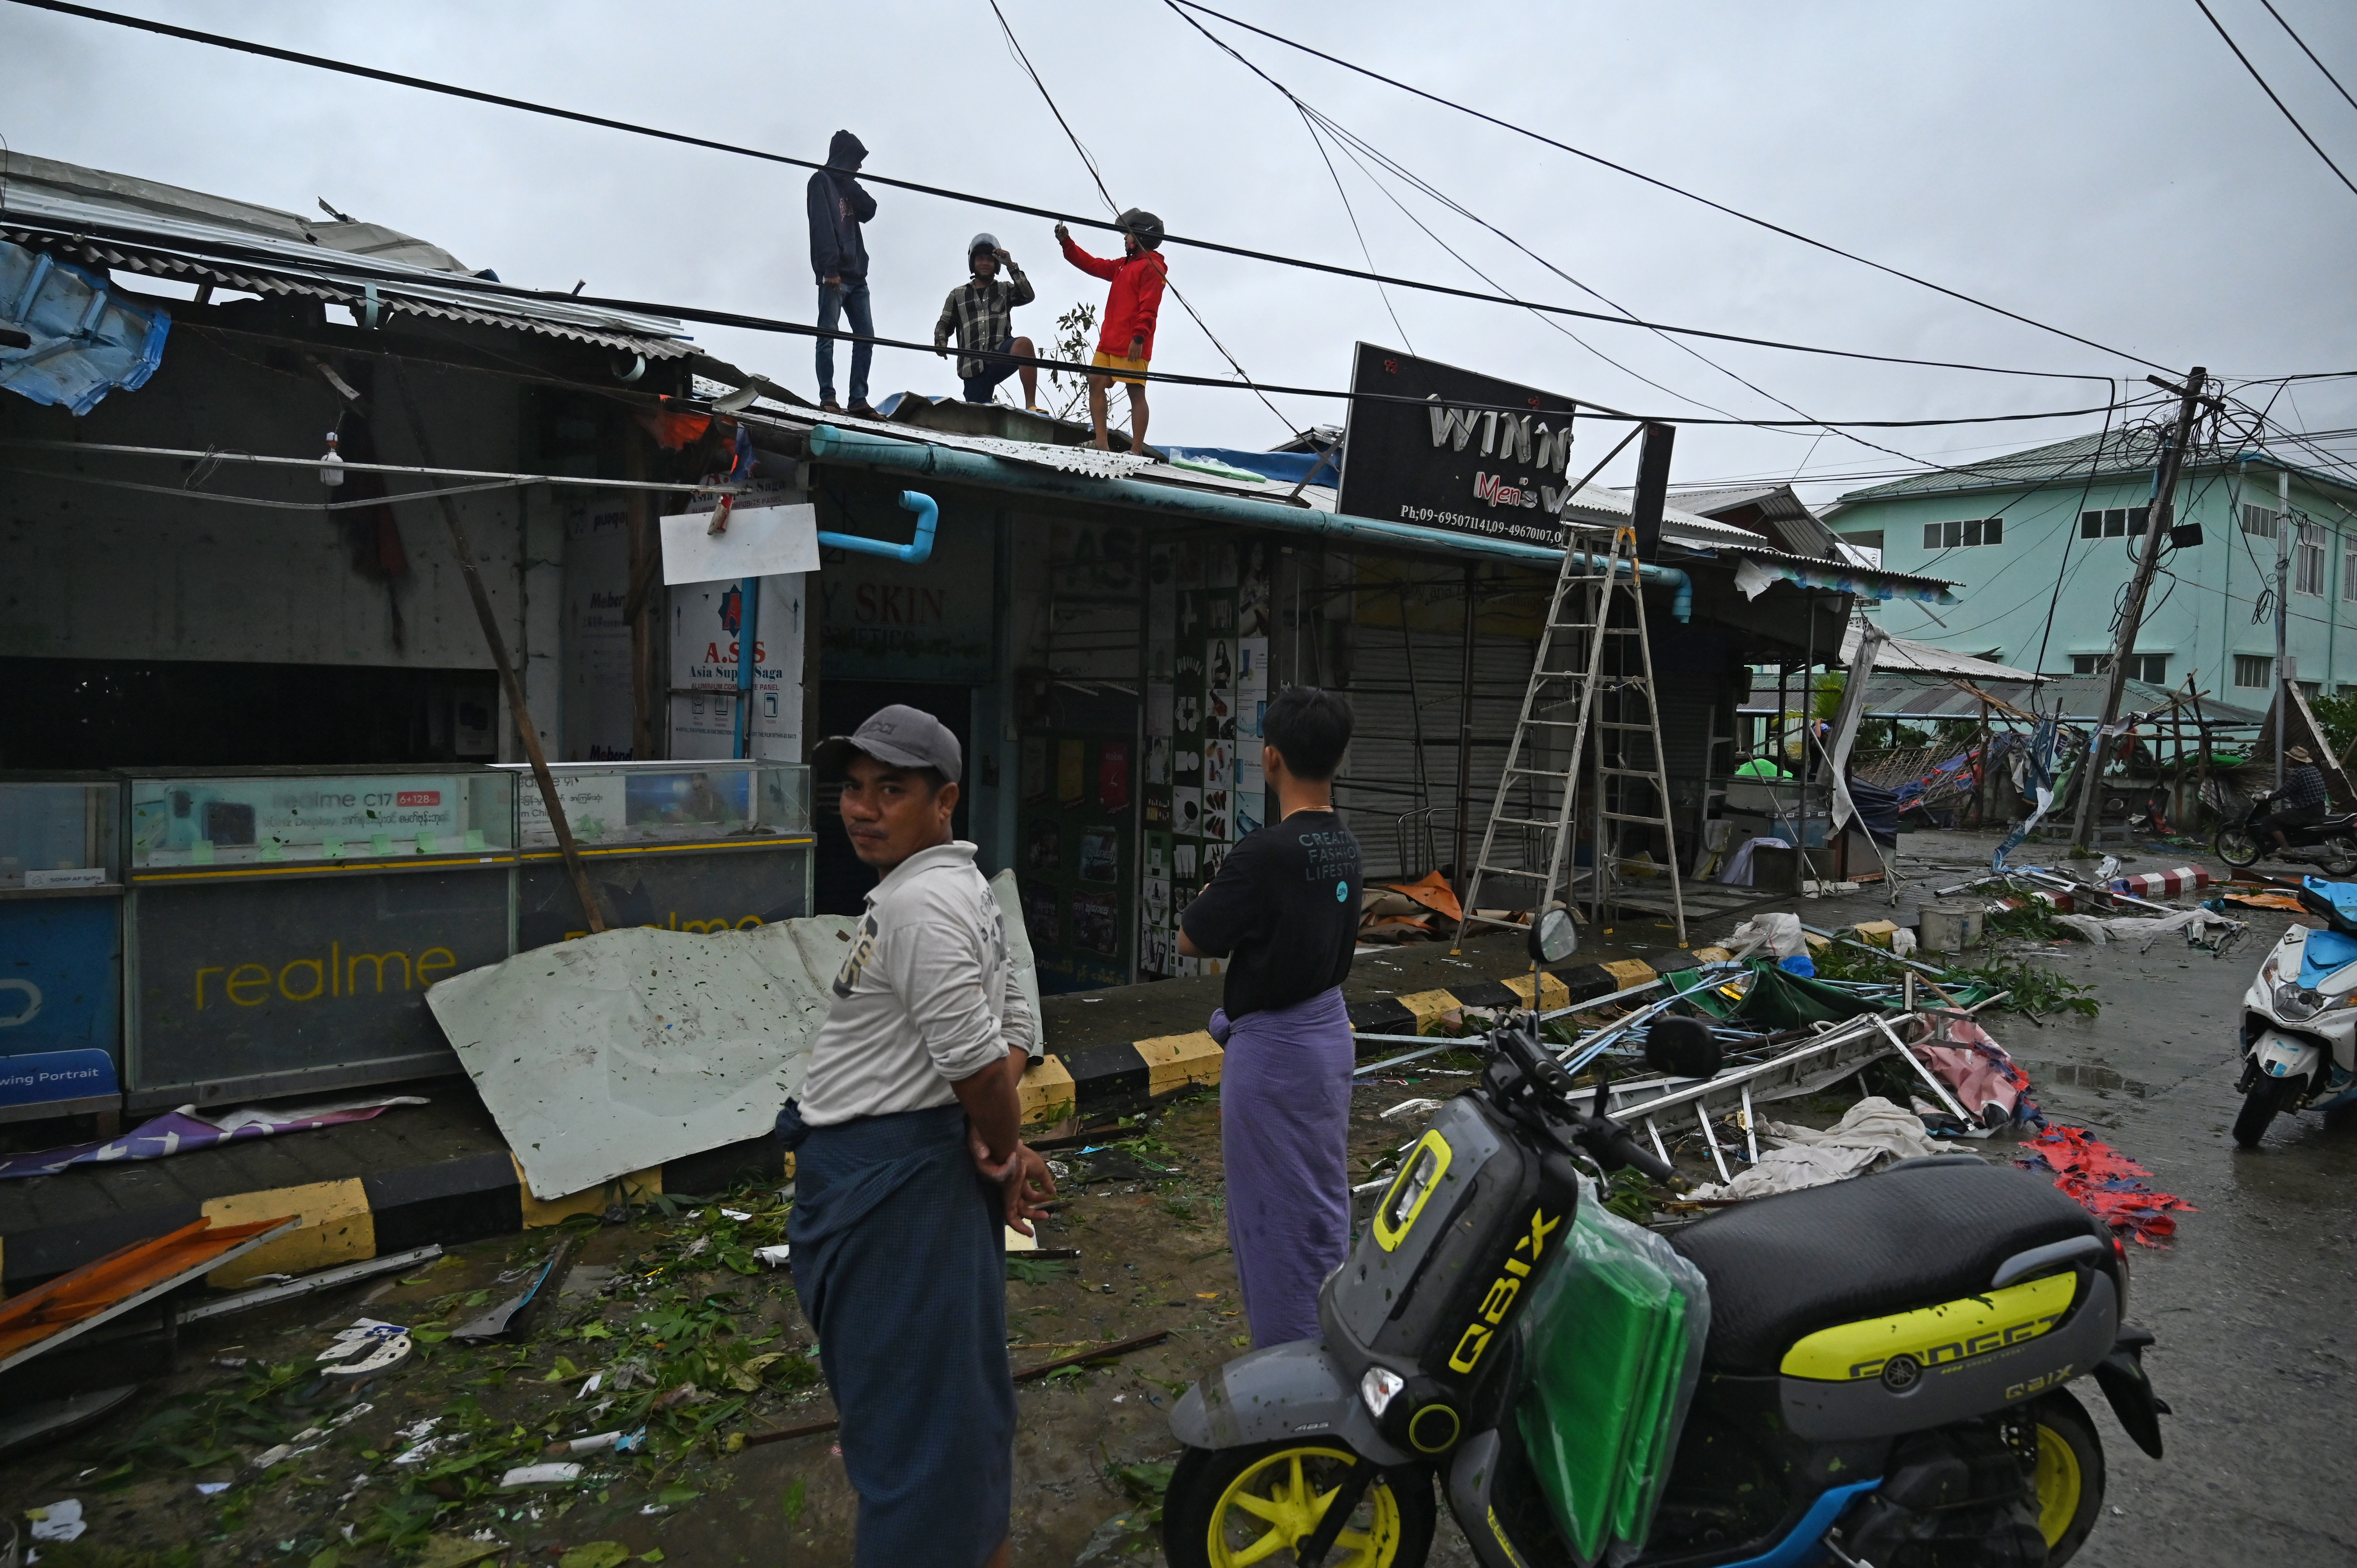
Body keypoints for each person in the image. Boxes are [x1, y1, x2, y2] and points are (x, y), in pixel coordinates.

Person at [777, 704, 1054, 1568]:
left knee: (921, 1434)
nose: (862, 807)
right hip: (899, 1173)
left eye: (891, 789)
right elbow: (1010, 1021)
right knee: (948, 1418)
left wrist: (1001, 1144)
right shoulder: (952, 888)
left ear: (945, 800)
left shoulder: (924, 904)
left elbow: (978, 1063)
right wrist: (993, 1133)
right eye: (854, 787)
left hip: (893, 1187)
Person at [1177, 687, 1362, 1347]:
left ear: (1271, 758)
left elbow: (1192, 936)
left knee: (1273, 1218)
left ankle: (1293, 1366)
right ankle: (1328, 1336)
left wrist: (1213, 895)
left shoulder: (1264, 852)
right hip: (1326, 1043)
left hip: (1275, 1058)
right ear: (1337, 758)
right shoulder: (1345, 844)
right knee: (1317, 1205)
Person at [1053, 209, 1168, 452]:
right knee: (1095, 381)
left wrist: (1139, 338)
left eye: (1128, 235)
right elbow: (1094, 265)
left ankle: (1136, 450)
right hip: (1109, 341)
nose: (1125, 239)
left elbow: (1150, 308)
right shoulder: (1123, 266)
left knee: (1135, 392)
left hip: (1133, 344)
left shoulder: (1151, 267)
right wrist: (1067, 244)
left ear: (1140, 238)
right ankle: (1101, 442)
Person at [807, 129, 879, 418]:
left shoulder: (848, 184)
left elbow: (870, 210)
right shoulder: (820, 182)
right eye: (856, 160)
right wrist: (830, 268)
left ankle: (858, 399)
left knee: (866, 337)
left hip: (858, 275)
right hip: (835, 275)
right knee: (828, 335)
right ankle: (829, 397)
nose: (860, 166)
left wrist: (850, 183)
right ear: (844, 156)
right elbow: (822, 225)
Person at [934, 233, 1041, 410]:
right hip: (972, 366)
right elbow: (944, 323)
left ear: (996, 265)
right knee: (976, 417)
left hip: (999, 353)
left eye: (990, 260)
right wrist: (941, 341)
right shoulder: (958, 295)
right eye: (980, 259)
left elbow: (1028, 295)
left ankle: (1032, 406)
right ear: (973, 263)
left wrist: (1011, 266)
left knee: (1024, 345)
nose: (985, 263)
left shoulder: (1004, 289)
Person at [2267, 744, 2329, 851]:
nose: (2287, 760)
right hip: (2320, 809)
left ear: (2294, 760)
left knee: (2270, 821)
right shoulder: (2313, 770)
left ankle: (2286, 850)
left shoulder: (2298, 773)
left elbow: (2285, 792)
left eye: (2289, 758)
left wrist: (2269, 798)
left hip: (2305, 812)